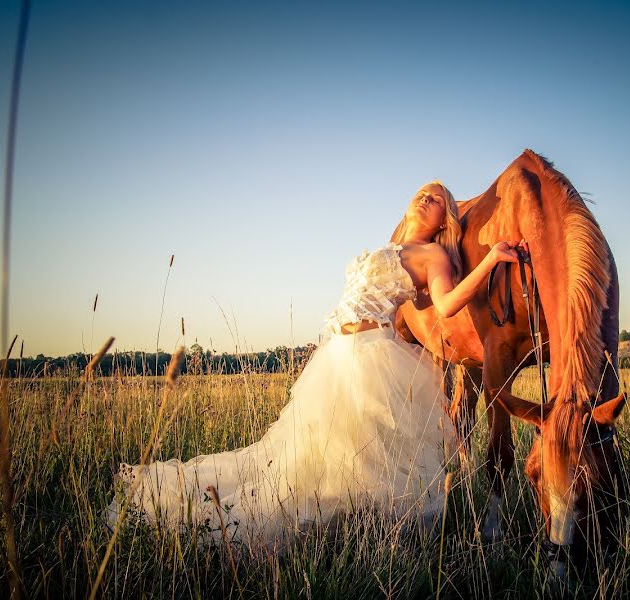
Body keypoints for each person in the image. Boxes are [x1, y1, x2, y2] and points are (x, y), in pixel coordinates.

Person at [106, 181, 523, 553]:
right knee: (310, 454)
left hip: (374, 355)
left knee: (365, 456)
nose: (426, 197)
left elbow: (448, 303)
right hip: (338, 355)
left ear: (443, 218)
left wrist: (489, 261)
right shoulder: (392, 246)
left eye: (436, 199)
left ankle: (366, 529)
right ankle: (347, 520)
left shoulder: (434, 255)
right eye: (422, 193)